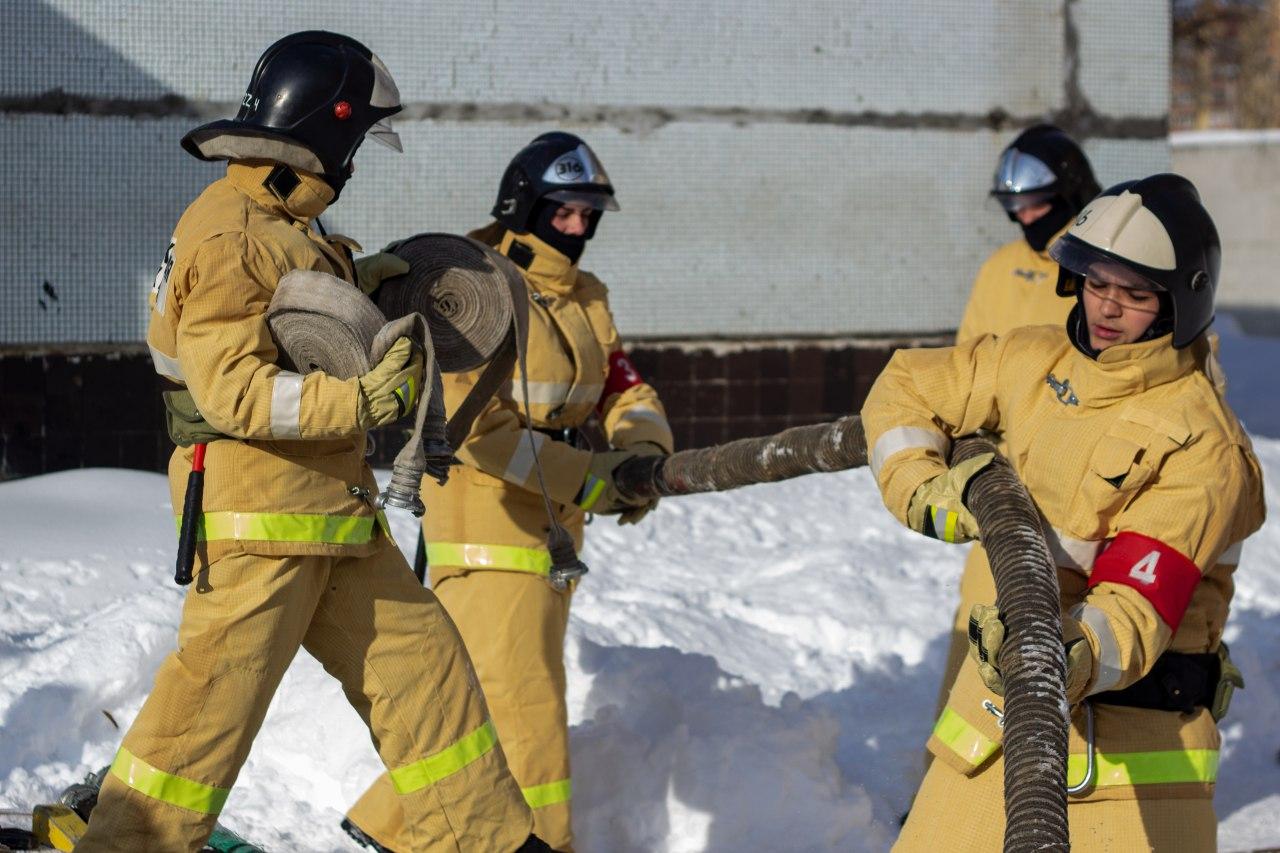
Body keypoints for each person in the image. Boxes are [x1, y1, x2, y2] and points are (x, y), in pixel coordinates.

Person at [78, 32, 549, 853]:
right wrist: (360, 396)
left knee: (427, 676)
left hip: (332, 513)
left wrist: (361, 283)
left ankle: (489, 842)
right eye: (358, 137)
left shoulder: (283, 223)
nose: (359, 155)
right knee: (205, 719)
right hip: (262, 522)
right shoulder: (230, 234)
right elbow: (234, 389)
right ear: (325, 132)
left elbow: (290, 314)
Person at [862, 174, 1264, 850]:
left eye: (1135, 294)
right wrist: (923, 486)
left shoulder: (1203, 444)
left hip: (1135, 762)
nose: (1107, 308)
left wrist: (1067, 652)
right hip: (993, 725)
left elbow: (1137, 604)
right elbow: (907, 382)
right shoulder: (1035, 358)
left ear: (1179, 302)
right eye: (1097, 283)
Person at [344, 132, 674, 852]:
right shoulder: (474, 284)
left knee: (481, 703)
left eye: (591, 214)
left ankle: (392, 829)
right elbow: (475, 428)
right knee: (528, 713)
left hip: (551, 532)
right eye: (565, 213)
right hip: (487, 529)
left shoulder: (587, 296)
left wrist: (643, 446)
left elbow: (622, 383)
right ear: (524, 205)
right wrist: (589, 477)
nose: (581, 228)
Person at [930, 126, 1102, 727]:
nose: (1024, 216)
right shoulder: (1000, 269)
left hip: (1087, 481)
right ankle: (943, 786)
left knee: (1081, 634)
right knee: (977, 621)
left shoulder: (1102, 275)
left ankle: (1067, 786)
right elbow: (964, 368)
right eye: (1013, 207)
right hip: (1005, 482)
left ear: (1071, 192)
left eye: (1036, 203)